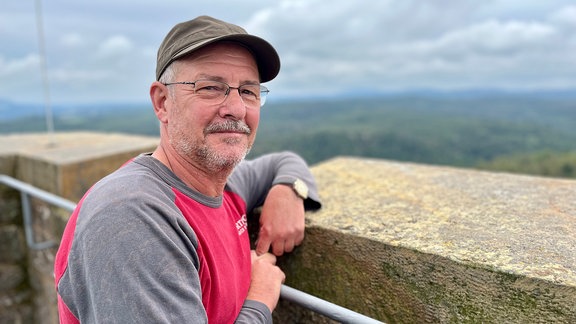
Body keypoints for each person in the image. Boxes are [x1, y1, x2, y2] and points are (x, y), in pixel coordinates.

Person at [54, 15, 321, 323]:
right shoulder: (132, 217)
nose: (236, 108)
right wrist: (259, 301)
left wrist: (288, 190)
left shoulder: (223, 186)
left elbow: (283, 161)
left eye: (248, 91)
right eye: (210, 87)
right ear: (162, 102)